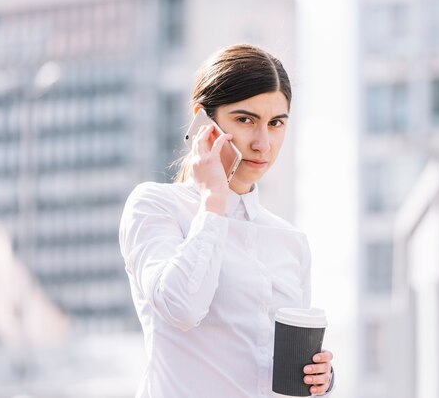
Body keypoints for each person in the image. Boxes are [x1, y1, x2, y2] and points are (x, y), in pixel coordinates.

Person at [119, 44, 335, 398]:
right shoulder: (156, 206)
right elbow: (182, 307)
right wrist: (213, 200)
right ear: (204, 121)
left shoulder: (291, 241)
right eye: (245, 120)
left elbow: (276, 372)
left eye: (276, 123)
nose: (263, 144)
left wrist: (319, 379)